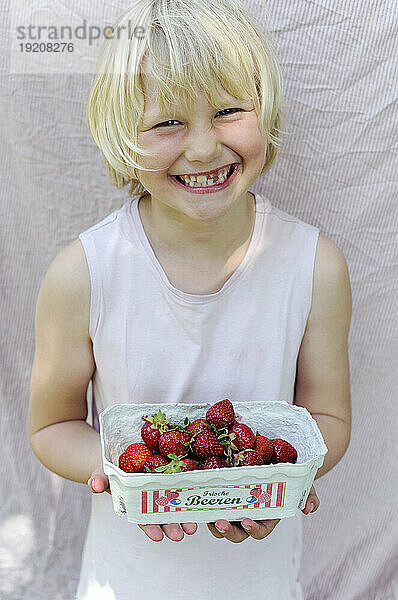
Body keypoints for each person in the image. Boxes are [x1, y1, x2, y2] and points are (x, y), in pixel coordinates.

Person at [28, 0, 352, 598]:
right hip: (124, 583)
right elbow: (52, 425)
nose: (203, 149)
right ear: (122, 133)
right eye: (166, 122)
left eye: (229, 111)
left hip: (264, 582)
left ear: (267, 110)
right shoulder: (84, 275)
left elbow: (326, 419)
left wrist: (280, 477)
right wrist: (126, 472)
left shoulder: (315, 267)